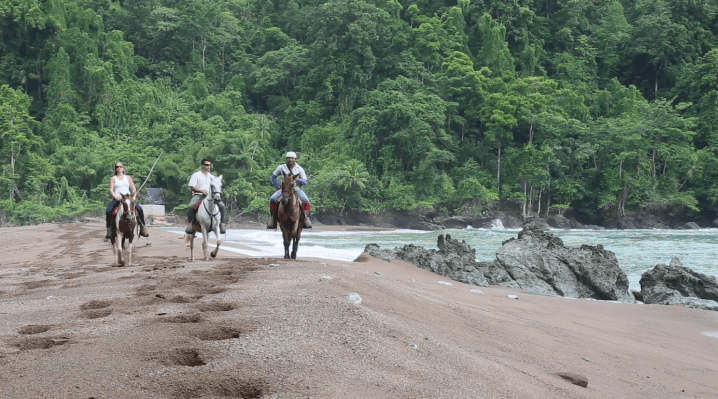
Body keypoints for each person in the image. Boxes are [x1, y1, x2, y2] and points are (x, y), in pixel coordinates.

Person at [267, 151, 312, 229]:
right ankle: (273, 217)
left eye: (292, 158)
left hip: (296, 189)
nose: (290, 160)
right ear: (286, 159)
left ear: (295, 159)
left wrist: (298, 180)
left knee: (306, 200)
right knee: (273, 198)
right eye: (288, 158)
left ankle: (305, 216)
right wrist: (277, 185)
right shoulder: (281, 167)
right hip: (284, 190)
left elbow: (305, 181)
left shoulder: (299, 169)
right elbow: (273, 176)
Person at [105, 162, 149, 238]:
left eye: (120, 166)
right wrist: (115, 197)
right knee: (109, 211)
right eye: (117, 167)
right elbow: (111, 190)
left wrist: (134, 197)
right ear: (115, 168)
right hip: (118, 198)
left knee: (139, 209)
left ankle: (143, 227)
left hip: (128, 198)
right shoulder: (113, 178)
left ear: (123, 168)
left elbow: (133, 188)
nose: (119, 168)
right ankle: (109, 229)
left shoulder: (128, 177)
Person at [185, 158, 227, 234]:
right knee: (191, 206)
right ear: (202, 165)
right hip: (199, 195)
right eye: (207, 165)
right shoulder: (196, 175)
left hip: (210, 196)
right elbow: (192, 187)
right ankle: (190, 223)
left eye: (210, 165)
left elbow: (216, 185)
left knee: (222, 206)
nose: (209, 166)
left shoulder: (211, 177)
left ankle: (222, 224)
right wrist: (202, 191)